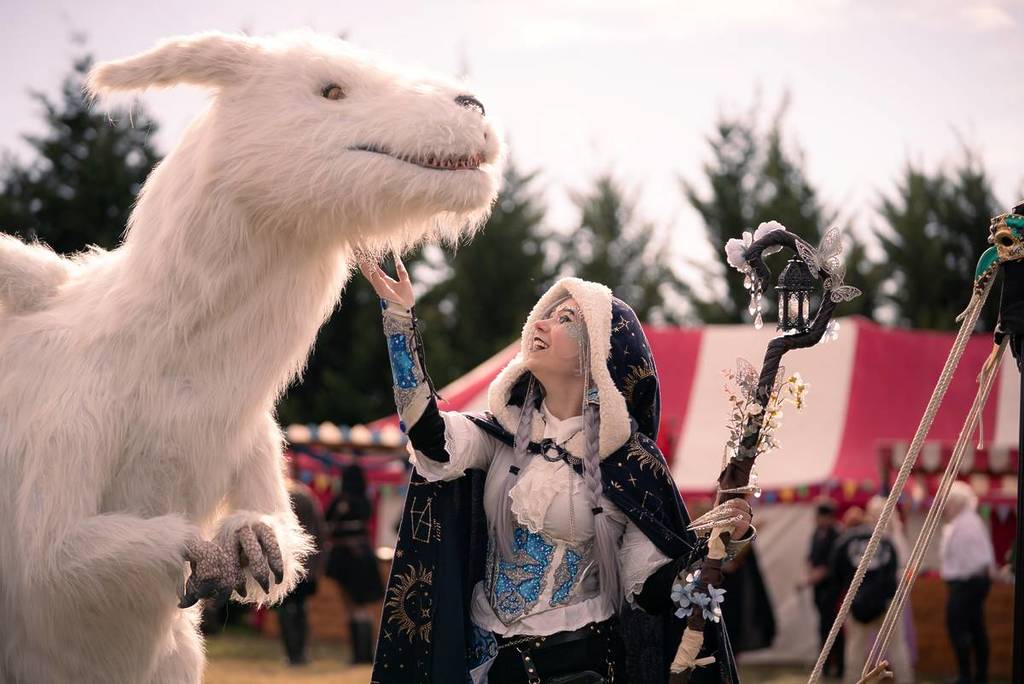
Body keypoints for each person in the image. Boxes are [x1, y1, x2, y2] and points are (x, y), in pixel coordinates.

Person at [364, 258, 754, 683]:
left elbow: (649, 587)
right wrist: (399, 320)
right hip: (489, 667)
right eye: (544, 315)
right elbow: (427, 436)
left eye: (565, 318)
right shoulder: (499, 435)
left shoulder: (629, 465)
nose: (543, 324)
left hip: (580, 667)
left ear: (596, 358)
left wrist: (716, 547)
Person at [830, 497, 912, 684]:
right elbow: (894, 573)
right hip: (886, 601)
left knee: (856, 649)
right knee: (896, 647)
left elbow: (835, 571)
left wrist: (849, 593)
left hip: (858, 601)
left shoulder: (848, 540)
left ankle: (851, 680)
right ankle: (906, 680)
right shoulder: (888, 541)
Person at [324, 462, 385, 664]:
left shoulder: (342, 501)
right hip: (362, 556)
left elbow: (328, 523)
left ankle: (361, 656)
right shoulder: (365, 501)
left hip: (346, 557)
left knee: (354, 605)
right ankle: (362, 655)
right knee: (361, 606)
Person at [940, 481, 995, 684]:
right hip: (971, 583)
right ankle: (976, 676)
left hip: (967, 583)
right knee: (974, 628)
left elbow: (976, 561)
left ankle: (967, 676)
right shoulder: (967, 522)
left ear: (956, 502)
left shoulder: (966, 524)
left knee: (959, 627)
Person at [278, 475, 326, 666]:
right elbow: (320, 531)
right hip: (308, 563)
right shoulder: (307, 497)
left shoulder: (284, 497)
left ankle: (291, 654)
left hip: (286, 560)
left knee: (285, 607)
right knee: (301, 607)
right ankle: (301, 653)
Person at [807, 499, 843, 679]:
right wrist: (811, 573)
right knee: (823, 627)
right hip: (819, 589)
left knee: (836, 629)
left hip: (833, 589)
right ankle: (826, 666)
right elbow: (812, 557)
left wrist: (819, 574)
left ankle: (840, 666)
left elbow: (834, 563)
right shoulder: (816, 533)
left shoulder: (837, 534)